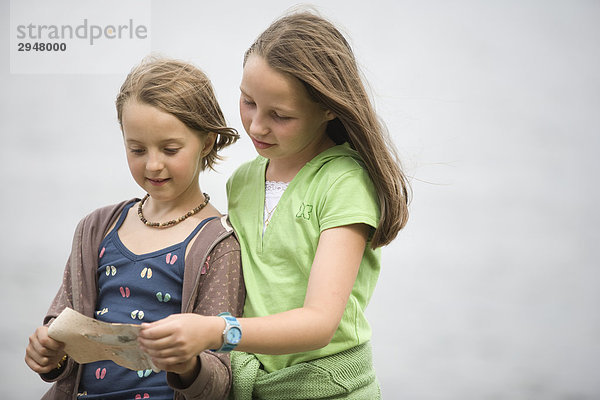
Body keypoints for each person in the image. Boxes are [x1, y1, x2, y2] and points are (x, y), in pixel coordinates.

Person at [24, 57, 245, 400]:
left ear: (207, 141)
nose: (153, 164)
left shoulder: (217, 245)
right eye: (137, 149)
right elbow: (61, 330)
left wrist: (187, 364)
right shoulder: (96, 229)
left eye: (170, 149)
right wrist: (48, 353)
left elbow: (220, 380)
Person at [222, 10, 409, 399]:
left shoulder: (344, 182)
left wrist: (220, 331)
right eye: (248, 101)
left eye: (280, 115)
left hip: (331, 389)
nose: (256, 126)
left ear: (328, 108)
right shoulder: (240, 182)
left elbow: (319, 323)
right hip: (254, 383)